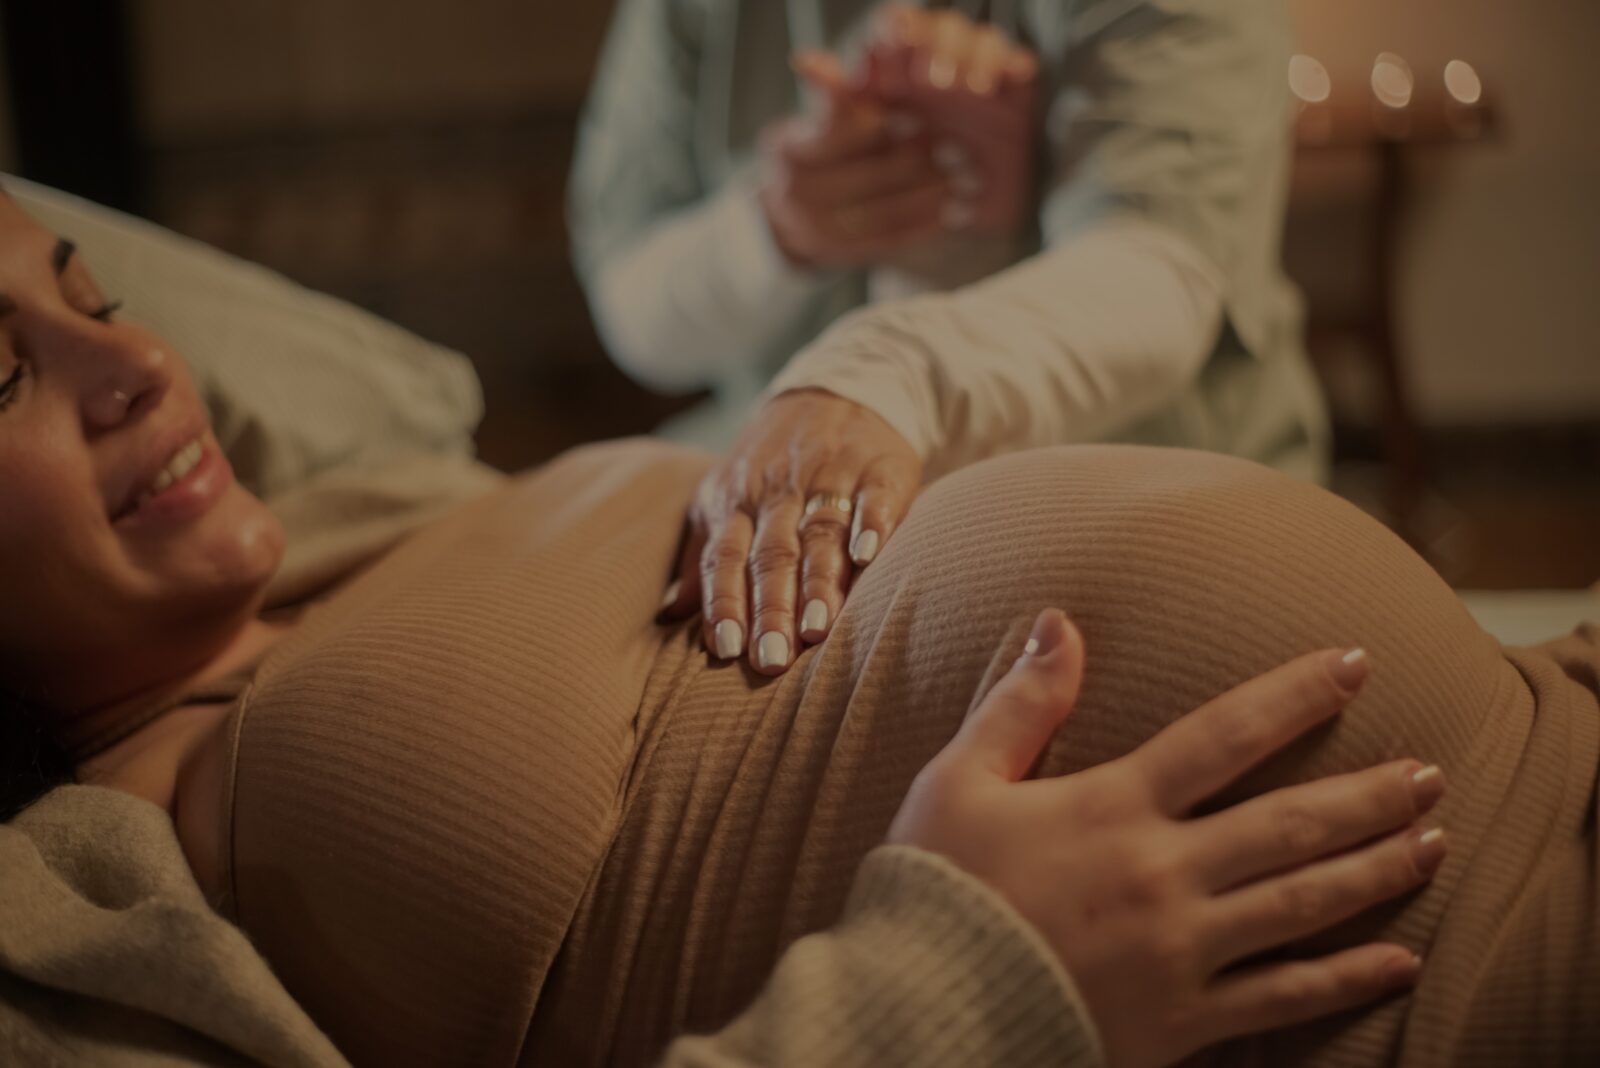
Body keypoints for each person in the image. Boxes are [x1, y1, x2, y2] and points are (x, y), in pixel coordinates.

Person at [1, 190, 1595, 1068]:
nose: (136, 367)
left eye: (96, 296)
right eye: (3, 373)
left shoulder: (398, 502)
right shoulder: (66, 923)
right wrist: (970, 991)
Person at [570, 1, 1331, 673]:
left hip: (1153, 470)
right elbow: (630, 296)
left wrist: (878, 372)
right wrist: (776, 229)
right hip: (748, 450)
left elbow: (1158, 272)